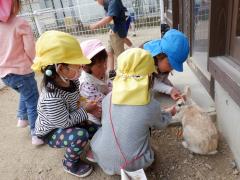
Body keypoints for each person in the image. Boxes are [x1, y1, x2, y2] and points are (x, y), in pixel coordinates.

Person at [89, 48, 176, 175]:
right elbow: (161, 123)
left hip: (103, 157)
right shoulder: (150, 105)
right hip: (132, 165)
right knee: (149, 148)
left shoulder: (107, 98)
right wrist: (169, 113)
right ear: (149, 77)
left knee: (103, 132)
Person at [32, 31, 100, 178]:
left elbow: (77, 98)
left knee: (95, 128)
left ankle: (96, 149)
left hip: (68, 119)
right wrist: (86, 111)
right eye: (78, 65)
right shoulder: (51, 96)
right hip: (52, 130)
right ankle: (69, 164)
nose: (81, 68)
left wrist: (85, 103)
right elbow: (63, 122)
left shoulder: (71, 80)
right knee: (80, 135)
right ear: (61, 68)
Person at [0, 0, 43, 145]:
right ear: (14, 5)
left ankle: (22, 118)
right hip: (22, 71)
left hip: (5, 75)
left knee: (26, 93)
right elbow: (30, 49)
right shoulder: (20, 23)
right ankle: (36, 133)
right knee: (33, 101)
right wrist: (37, 63)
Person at [143, 29, 190, 100]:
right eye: (170, 64)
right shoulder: (144, 59)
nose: (171, 69)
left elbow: (161, 78)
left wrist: (171, 88)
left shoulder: (161, 62)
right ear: (160, 55)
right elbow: (151, 82)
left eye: (174, 66)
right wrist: (169, 90)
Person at [90, 0, 127, 79]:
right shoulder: (107, 3)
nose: (98, 3)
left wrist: (95, 25)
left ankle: (125, 73)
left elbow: (109, 18)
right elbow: (111, 19)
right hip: (113, 31)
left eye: (97, 1)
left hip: (117, 32)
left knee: (120, 55)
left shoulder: (114, 2)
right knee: (109, 52)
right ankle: (111, 72)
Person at [79, 39, 112, 125]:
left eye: (105, 62)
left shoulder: (100, 73)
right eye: (99, 66)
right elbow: (101, 106)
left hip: (107, 108)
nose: (105, 67)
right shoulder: (86, 84)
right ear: (85, 67)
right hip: (95, 119)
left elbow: (109, 87)